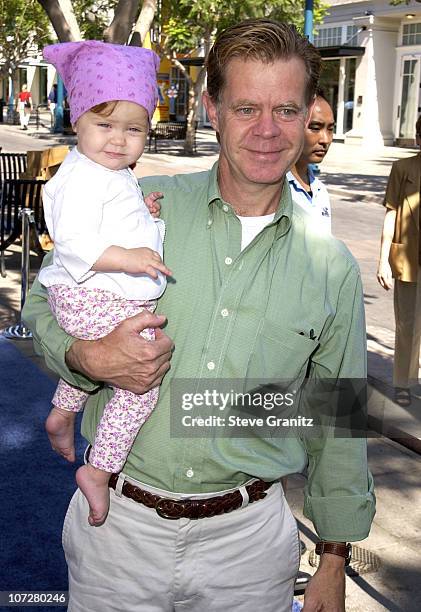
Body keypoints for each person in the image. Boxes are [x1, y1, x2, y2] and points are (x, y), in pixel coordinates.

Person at [23, 19, 375, 612]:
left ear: (309, 111)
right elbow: (40, 305)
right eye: (245, 108)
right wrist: (86, 356)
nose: (267, 131)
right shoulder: (143, 207)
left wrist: (333, 559)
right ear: (212, 108)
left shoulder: (331, 267)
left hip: (250, 550)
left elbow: (336, 418)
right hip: (118, 533)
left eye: (287, 110)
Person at [39, 41, 171, 527]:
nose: (119, 139)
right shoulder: (81, 178)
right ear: (76, 121)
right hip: (91, 292)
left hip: (90, 297)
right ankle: (99, 469)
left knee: (100, 350)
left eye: (134, 129)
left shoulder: (107, 172)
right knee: (142, 379)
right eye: (105, 124)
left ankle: (62, 410)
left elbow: (113, 219)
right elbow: (73, 242)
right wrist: (129, 257)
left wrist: (144, 214)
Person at [377, 115, 421, 407]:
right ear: (418, 137)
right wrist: (382, 261)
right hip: (408, 258)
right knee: (407, 324)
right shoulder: (402, 168)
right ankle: (403, 381)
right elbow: (391, 213)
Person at [287, 92, 334, 232]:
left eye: (330, 129)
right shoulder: (272, 191)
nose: (325, 139)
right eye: (315, 128)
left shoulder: (321, 192)